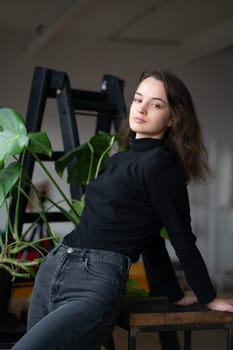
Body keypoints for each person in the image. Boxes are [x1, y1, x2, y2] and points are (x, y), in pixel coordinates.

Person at [12, 67, 233, 350]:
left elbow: (180, 236)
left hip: (95, 281)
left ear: (173, 117)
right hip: (55, 265)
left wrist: (207, 295)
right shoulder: (119, 161)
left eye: (155, 104)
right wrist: (173, 292)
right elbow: (151, 238)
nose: (141, 109)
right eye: (138, 99)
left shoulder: (160, 166)